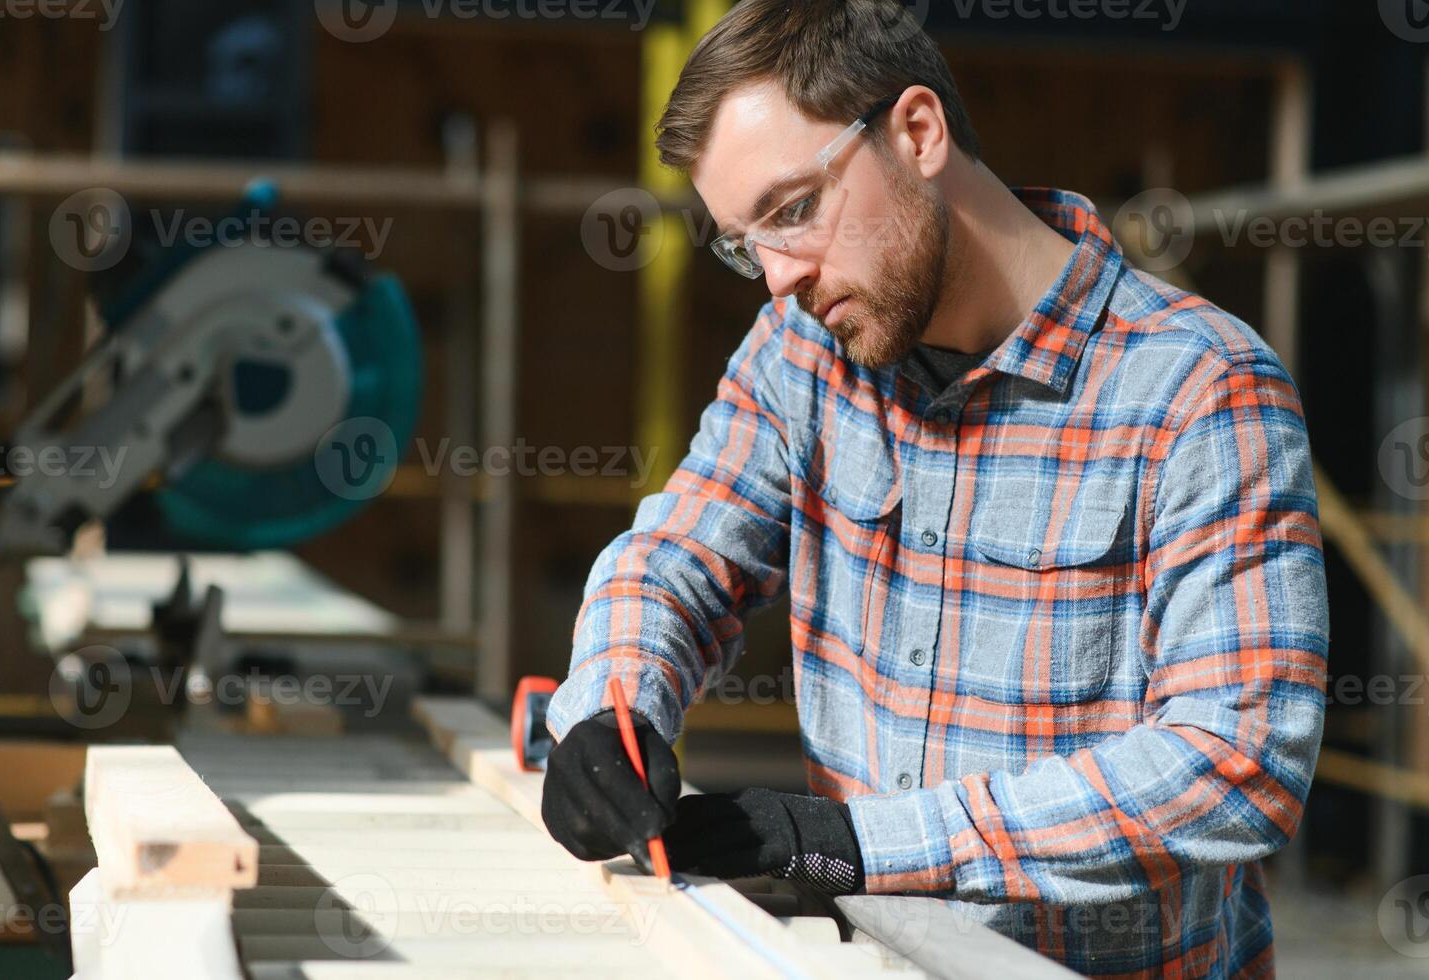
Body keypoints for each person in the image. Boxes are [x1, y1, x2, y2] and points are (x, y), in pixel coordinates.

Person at [540, 2, 1329, 976]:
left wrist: (869, 841)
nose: (779, 278)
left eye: (794, 209)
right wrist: (613, 710)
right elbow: (681, 557)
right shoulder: (803, 355)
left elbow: (1236, 762)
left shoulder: (1199, 390)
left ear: (917, 133)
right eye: (746, 243)